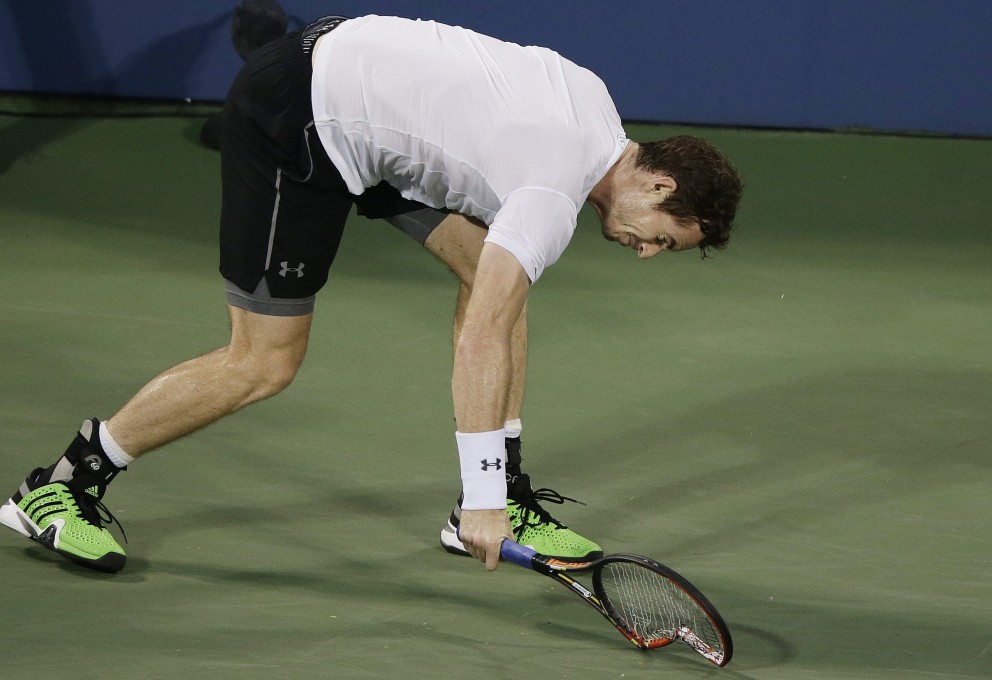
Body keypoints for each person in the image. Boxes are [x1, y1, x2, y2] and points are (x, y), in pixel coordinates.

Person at [0, 14, 742, 574]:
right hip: (299, 116)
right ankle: (62, 486)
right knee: (265, 361)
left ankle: (498, 494)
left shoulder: (597, 108)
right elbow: (482, 335)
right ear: (658, 183)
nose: (646, 252)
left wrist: (487, 490)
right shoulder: (550, 195)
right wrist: (479, 493)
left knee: (496, 276)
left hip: (368, 98)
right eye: (662, 237)